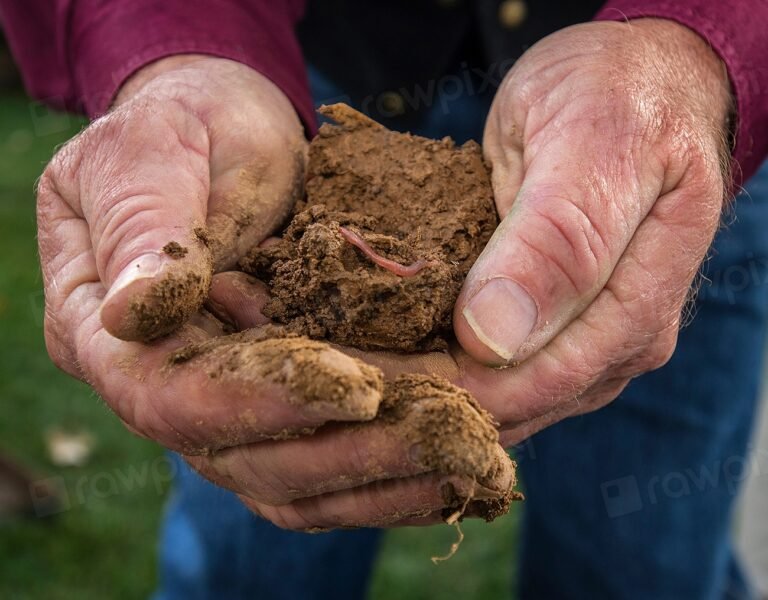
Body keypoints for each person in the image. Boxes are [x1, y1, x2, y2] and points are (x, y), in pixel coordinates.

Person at [1, 0, 767, 597]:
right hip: (316, 74)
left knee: (638, 562)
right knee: (251, 553)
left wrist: (701, 49)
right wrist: (178, 56)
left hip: (665, 126)